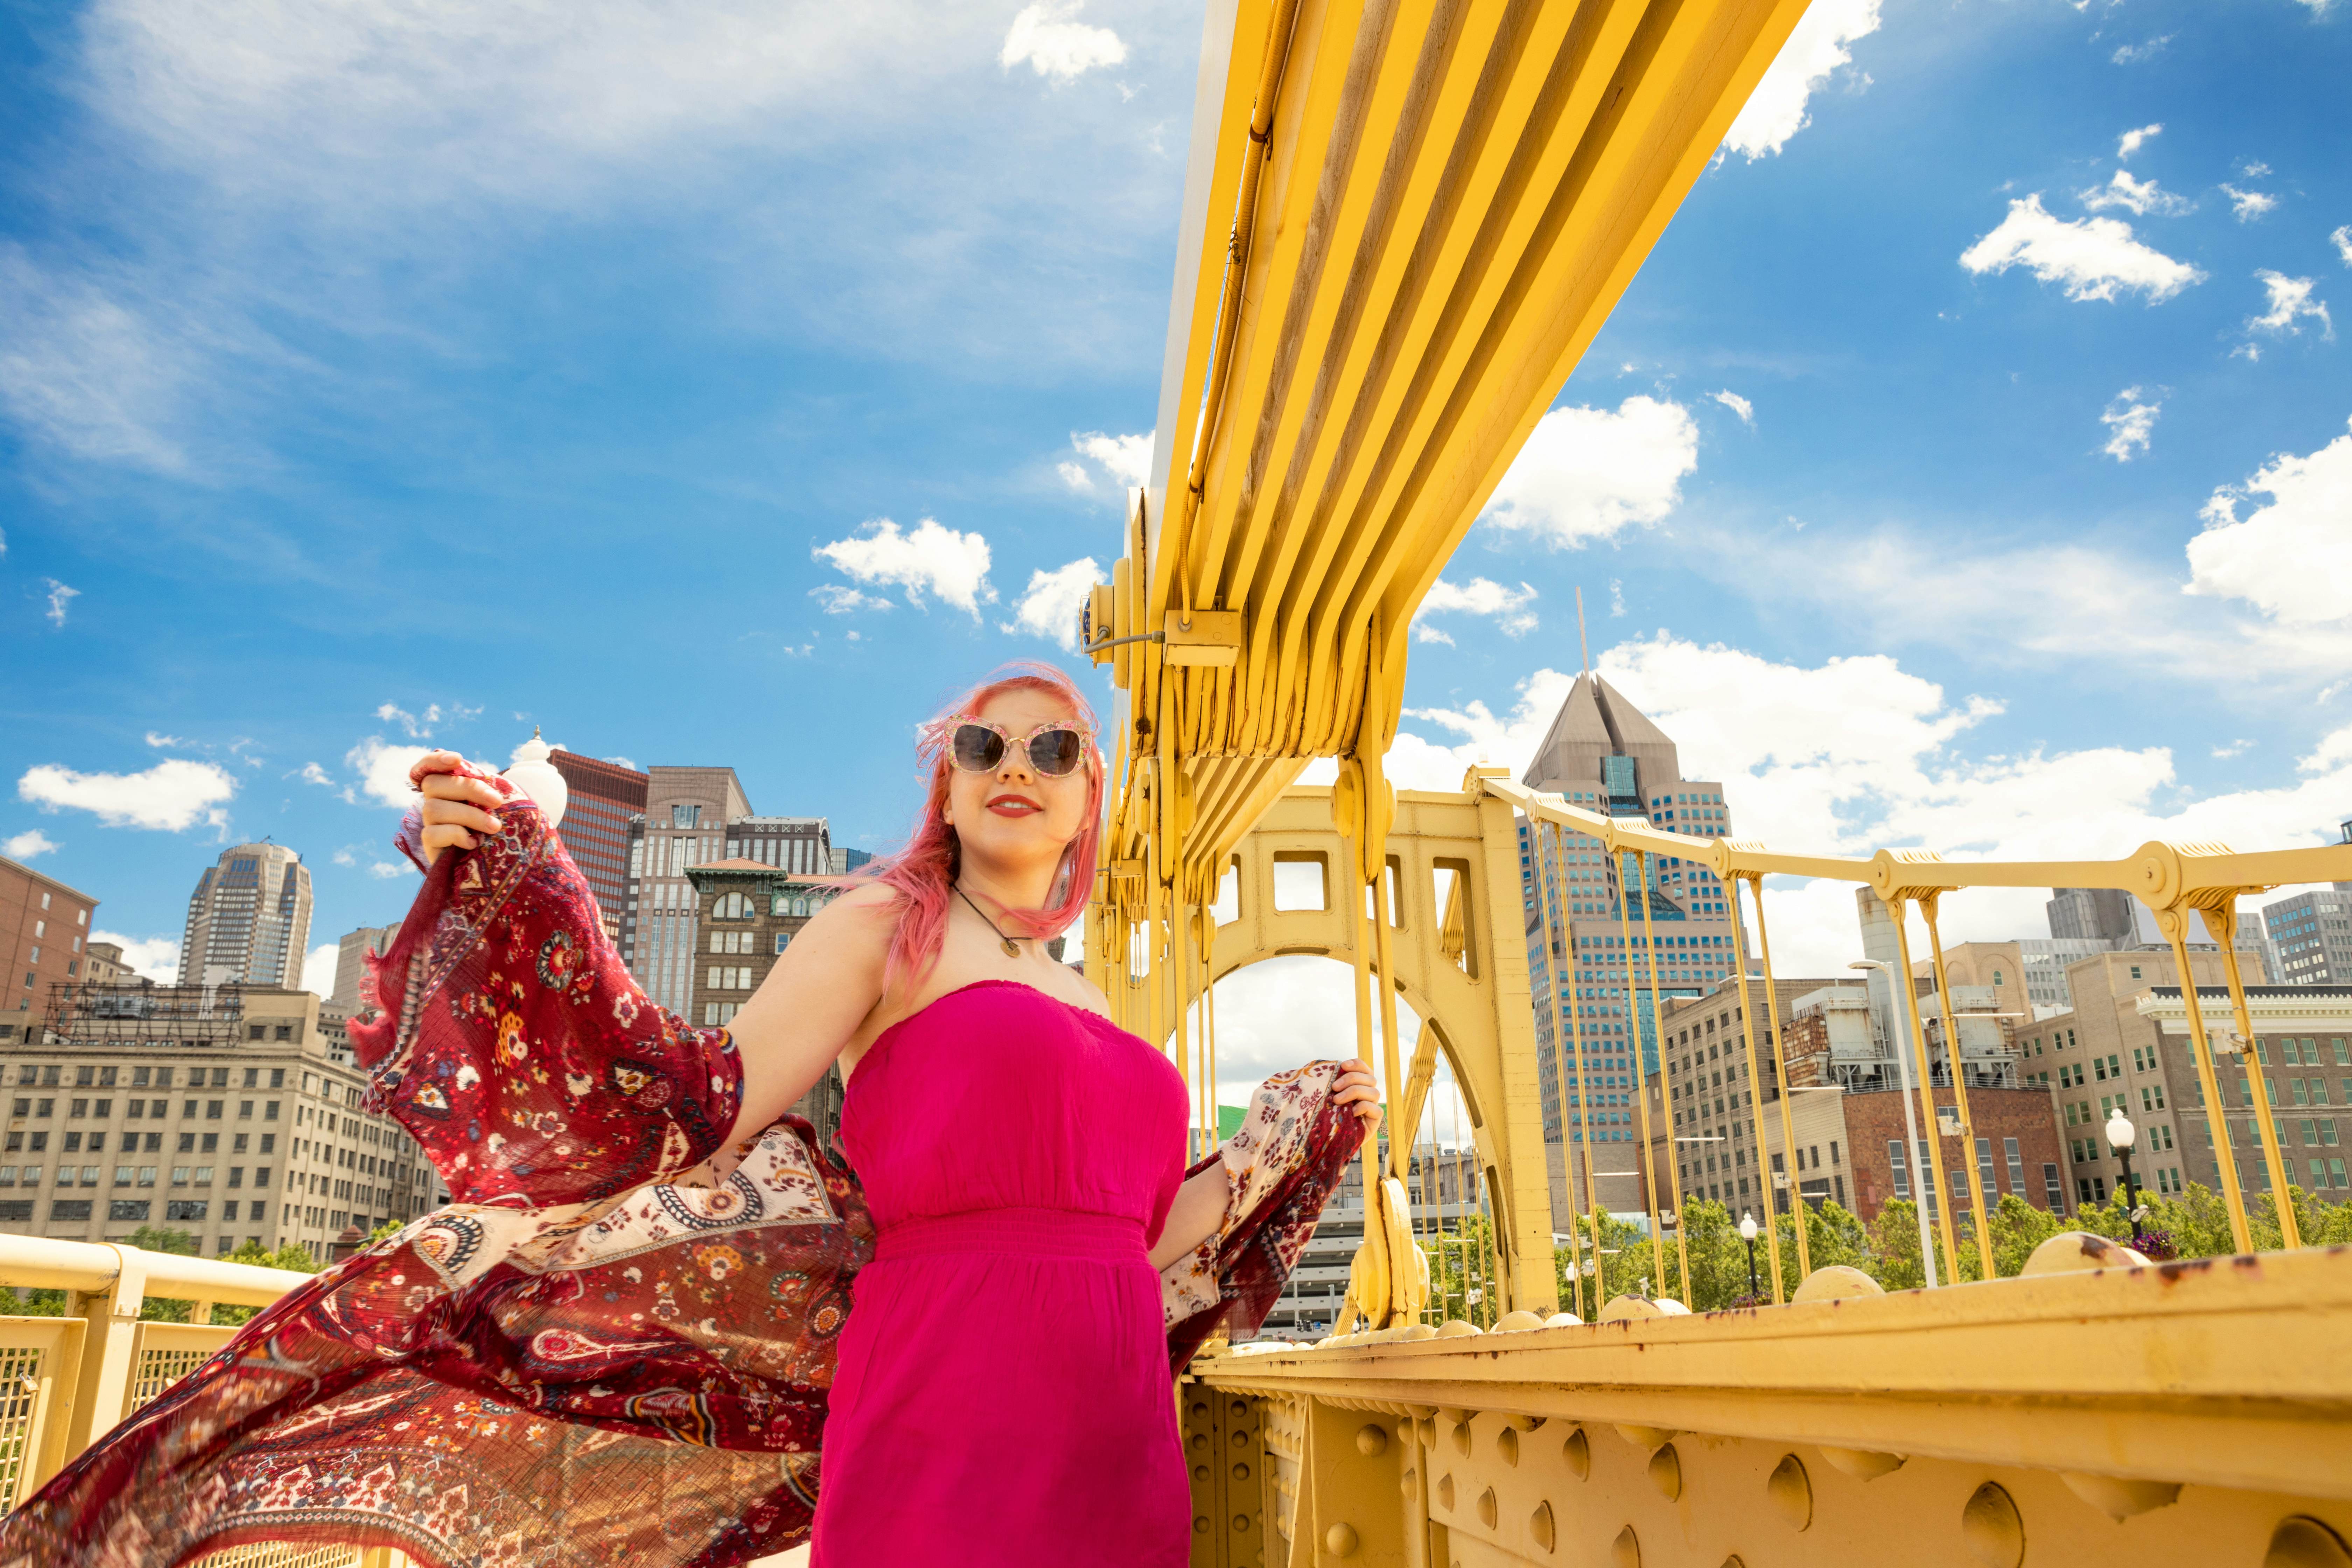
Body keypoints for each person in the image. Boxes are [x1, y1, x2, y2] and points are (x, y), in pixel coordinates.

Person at [0, 661, 1379, 1568]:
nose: (1015, 759)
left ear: (1093, 795)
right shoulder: (882, 924)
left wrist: (1294, 1133)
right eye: (982, 743)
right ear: (947, 785)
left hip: (1114, 1412)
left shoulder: (1098, 994)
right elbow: (696, 1104)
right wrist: (520, 876)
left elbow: (1148, 1235)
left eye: (1055, 745)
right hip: (946, 1392)